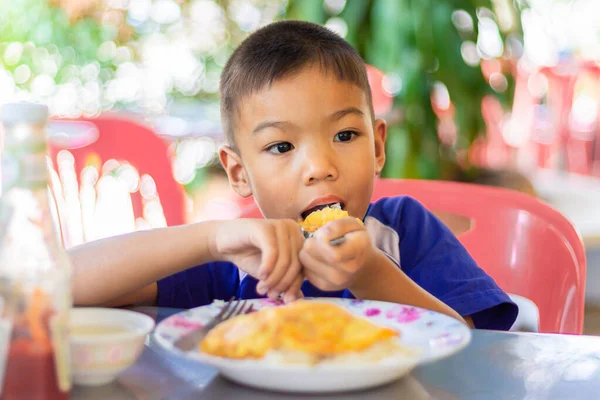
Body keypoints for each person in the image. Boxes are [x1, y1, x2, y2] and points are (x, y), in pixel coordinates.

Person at [70, 20, 518, 330]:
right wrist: (208, 241)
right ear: (240, 174)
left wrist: (370, 273)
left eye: (345, 134)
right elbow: (55, 285)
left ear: (378, 146)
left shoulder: (404, 230)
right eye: (282, 147)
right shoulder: (237, 263)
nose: (321, 167)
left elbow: (468, 346)